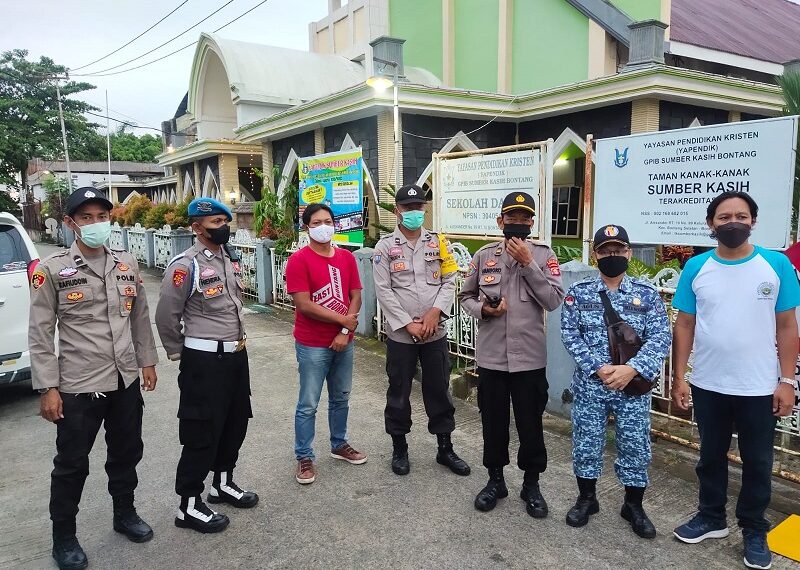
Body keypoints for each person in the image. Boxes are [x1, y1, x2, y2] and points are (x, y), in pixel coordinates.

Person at [29, 187, 159, 570]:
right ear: (70, 223)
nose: (96, 223)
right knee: (71, 464)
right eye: (86, 217)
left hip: (124, 380)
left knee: (126, 453)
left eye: (102, 216)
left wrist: (147, 362)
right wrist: (48, 387)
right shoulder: (51, 270)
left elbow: (138, 317)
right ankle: (64, 537)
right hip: (78, 385)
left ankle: (125, 514)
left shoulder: (126, 263)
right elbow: (40, 332)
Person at [671, 191, 800, 570]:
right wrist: (680, 377)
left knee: (758, 461)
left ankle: (754, 527)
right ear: (711, 224)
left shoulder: (775, 266)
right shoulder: (696, 267)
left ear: (754, 221)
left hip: (759, 386)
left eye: (741, 216)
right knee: (709, 456)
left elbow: (787, 325)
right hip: (708, 383)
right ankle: (711, 518)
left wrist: (787, 381)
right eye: (724, 217)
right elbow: (685, 324)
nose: (733, 223)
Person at [560, 224, 671, 538]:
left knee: (635, 445)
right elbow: (569, 334)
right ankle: (587, 499)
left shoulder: (647, 294)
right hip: (591, 385)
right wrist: (598, 368)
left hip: (632, 388)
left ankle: (633, 505)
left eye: (619, 249)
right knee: (586, 443)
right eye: (605, 250)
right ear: (595, 255)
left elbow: (660, 338)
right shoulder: (579, 293)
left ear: (629, 252)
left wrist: (631, 370)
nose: (613, 255)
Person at [155, 197, 258, 535]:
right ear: (197, 228)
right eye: (215, 223)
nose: (223, 227)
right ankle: (188, 504)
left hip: (235, 355)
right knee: (202, 431)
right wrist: (182, 354)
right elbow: (166, 316)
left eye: (223, 221)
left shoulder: (228, 258)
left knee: (235, 422)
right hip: (204, 360)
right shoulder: (185, 265)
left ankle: (222, 483)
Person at [459, 191, 564, 518]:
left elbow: (553, 300)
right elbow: (466, 297)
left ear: (532, 222)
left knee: (530, 424)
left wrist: (527, 264)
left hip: (530, 360)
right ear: (500, 221)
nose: (518, 223)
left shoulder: (544, 256)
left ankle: (531, 485)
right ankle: (495, 481)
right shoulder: (483, 256)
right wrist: (485, 311)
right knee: (493, 422)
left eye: (524, 218)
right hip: (492, 359)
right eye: (512, 217)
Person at [372, 184, 470, 477]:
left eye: (418, 207)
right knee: (399, 391)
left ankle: (445, 448)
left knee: (438, 389)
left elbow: (450, 279)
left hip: (435, 331)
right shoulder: (385, 247)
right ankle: (400, 448)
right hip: (402, 335)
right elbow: (383, 289)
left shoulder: (438, 242)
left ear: (424, 209)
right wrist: (408, 323)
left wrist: (433, 313)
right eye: (407, 207)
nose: (413, 212)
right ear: (397, 211)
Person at [285, 203, 366, 485]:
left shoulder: (347, 258)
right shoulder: (299, 260)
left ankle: (339, 444)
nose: (323, 226)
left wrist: (345, 329)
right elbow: (304, 304)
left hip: (345, 340)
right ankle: (304, 456)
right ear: (307, 227)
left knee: (341, 397)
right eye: (317, 222)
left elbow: (356, 295)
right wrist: (343, 319)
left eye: (328, 221)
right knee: (308, 403)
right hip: (312, 344)